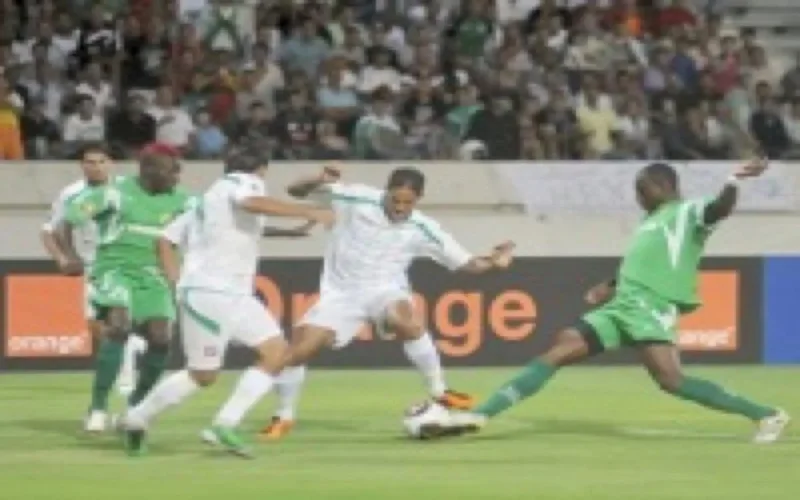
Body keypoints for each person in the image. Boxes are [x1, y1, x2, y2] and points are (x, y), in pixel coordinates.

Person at [419, 160, 790, 445]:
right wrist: (610, 286)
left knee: (672, 381)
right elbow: (649, 262)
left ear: (662, 186)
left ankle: (767, 414)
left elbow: (719, 210)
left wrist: (733, 181)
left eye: (641, 190)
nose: (638, 197)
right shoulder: (653, 221)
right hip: (623, 304)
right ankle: (480, 415)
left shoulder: (687, 212)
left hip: (650, 305)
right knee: (560, 347)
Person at [258, 164, 515, 439]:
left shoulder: (423, 227)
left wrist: (495, 264)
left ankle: (440, 391)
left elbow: (468, 263)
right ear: (387, 191)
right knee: (300, 351)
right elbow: (295, 191)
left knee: (408, 322)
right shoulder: (354, 199)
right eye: (396, 199)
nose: (401, 207)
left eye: (409, 202)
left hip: (385, 290)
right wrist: (317, 179)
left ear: (419, 199)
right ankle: (284, 416)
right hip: (341, 295)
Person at [121, 148, 331, 457]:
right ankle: (137, 418)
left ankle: (225, 424)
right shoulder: (243, 183)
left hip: (233, 294)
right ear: (261, 169)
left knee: (278, 353)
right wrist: (308, 211)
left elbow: (166, 238)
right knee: (202, 375)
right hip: (211, 293)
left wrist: (292, 233)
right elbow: (251, 203)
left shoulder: (207, 200)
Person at [55, 142, 194, 433]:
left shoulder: (183, 199)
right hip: (114, 270)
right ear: (148, 171)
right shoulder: (114, 193)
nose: (177, 177)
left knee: (161, 336)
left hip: (154, 276)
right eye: (172, 171)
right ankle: (97, 407)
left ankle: (137, 406)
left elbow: (218, 219)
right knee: (118, 324)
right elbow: (68, 218)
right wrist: (69, 253)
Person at [41, 142, 147, 409]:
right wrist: (64, 257)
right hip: (92, 266)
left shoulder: (128, 189)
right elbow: (51, 230)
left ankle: (106, 401)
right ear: (82, 165)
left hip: (124, 264)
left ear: (111, 163)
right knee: (95, 330)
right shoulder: (71, 193)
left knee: (115, 323)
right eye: (90, 162)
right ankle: (128, 348)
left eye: (101, 161)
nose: (96, 167)